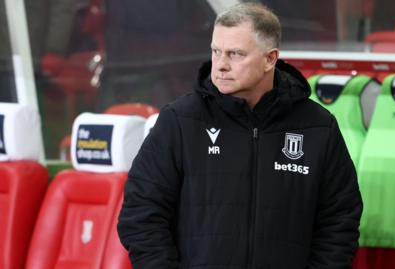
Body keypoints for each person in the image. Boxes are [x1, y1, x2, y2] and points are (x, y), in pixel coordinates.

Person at [118, 3, 362, 269]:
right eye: (216, 51)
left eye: (235, 54)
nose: (221, 65)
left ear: (270, 59)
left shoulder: (317, 127)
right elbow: (140, 213)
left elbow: (340, 221)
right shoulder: (179, 121)